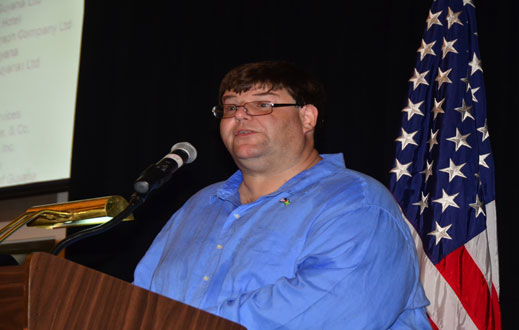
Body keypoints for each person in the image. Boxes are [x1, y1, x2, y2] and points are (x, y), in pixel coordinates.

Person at [133, 61, 431, 329]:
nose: (241, 116)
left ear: (307, 118)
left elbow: (328, 313)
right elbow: (136, 303)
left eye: (263, 105)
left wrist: (188, 323)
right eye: (231, 107)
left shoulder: (358, 204)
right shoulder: (199, 205)